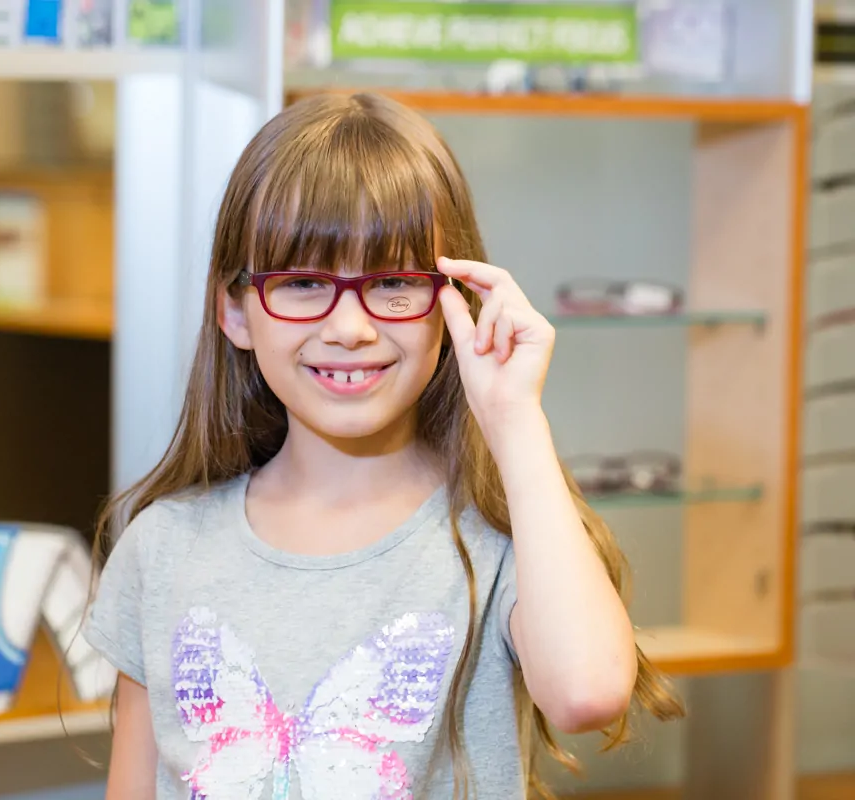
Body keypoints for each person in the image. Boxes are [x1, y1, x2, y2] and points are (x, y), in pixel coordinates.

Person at [82, 91, 684, 800]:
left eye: (394, 283)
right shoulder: (164, 548)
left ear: (455, 303)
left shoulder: (501, 535)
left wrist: (514, 419)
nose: (350, 327)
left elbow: (587, 693)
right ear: (235, 311)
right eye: (303, 283)